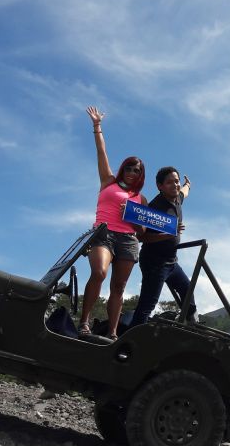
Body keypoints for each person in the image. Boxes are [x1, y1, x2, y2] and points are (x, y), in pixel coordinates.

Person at [80, 106, 146, 340]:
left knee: (118, 288)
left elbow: (143, 230)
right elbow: (101, 152)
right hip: (104, 234)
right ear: (122, 169)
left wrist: (133, 217)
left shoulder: (141, 199)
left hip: (128, 241)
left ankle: (113, 332)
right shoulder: (109, 182)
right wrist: (97, 126)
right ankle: (85, 322)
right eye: (128, 167)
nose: (131, 172)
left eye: (136, 170)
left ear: (141, 175)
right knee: (99, 272)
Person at [129, 166, 196, 327]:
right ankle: (131, 340)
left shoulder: (178, 197)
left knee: (188, 291)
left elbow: (184, 191)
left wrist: (188, 184)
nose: (175, 185)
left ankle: (191, 324)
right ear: (160, 186)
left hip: (172, 261)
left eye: (177, 181)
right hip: (155, 263)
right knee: (147, 305)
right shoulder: (154, 208)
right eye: (169, 182)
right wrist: (167, 234)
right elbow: (141, 237)